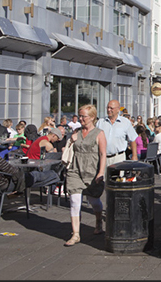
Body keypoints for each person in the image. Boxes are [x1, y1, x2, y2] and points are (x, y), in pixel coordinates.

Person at [64, 104, 107, 246]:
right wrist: (71, 139)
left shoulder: (99, 133)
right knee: (75, 201)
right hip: (75, 170)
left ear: (92, 117)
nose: (81, 118)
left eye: (84, 116)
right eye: (80, 115)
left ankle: (98, 221)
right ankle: (75, 234)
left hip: (91, 170)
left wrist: (101, 172)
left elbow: (102, 154)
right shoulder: (76, 131)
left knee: (94, 201)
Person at [96, 99, 138, 165]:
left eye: (111, 108)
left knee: (119, 175)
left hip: (118, 158)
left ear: (118, 109)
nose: (109, 110)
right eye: (108, 107)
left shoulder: (125, 122)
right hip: (102, 158)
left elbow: (132, 139)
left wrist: (134, 156)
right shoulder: (101, 122)